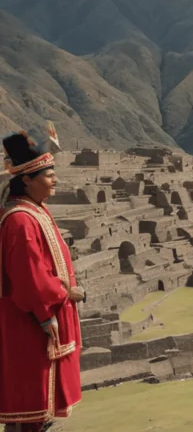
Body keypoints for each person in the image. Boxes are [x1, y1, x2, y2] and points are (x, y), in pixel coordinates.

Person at [0, 127, 84, 432]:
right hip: (33, 324)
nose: (55, 180)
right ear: (27, 180)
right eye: (49, 175)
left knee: (35, 411)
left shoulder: (33, 211)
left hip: (39, 319)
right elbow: (29, 276)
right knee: (29, 409)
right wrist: (55, 304)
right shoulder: (21, 221)